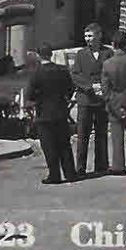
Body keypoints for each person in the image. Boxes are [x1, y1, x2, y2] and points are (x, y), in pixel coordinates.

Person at [25, 44, 78, 185]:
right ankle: (70, 173)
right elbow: (70, 89)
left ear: (38, 56)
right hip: (60, 111)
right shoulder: (62, 70)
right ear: (51, 54)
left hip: (44, 113)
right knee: (64, 144)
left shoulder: (36, 73)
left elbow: (29, 95)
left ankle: (54, 174)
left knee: (49, 145)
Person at [69, 24, 113, 178]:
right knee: (83, 134)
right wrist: (88, 86)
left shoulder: (108, 53)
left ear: (99, 35)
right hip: (85, 99)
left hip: (102, 99)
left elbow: (111, 72)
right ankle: (80, 167)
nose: (88, 39)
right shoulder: (81, 54)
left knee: (101, 133)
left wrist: (103, 86)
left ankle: (101, 165)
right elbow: (75, 75)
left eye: (90, 36)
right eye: (86, 36)